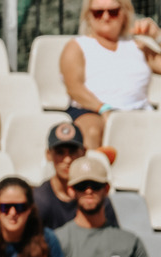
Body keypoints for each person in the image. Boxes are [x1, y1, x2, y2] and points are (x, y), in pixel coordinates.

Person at [55, 156, 155, 257]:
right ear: (71, 190)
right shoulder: (57, 241)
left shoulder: (130, 241)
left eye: (95, 185)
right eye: (82, 185)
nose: (89, 191)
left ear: (106, 189)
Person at [60, 0, 161, 149]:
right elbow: (74, 88)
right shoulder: (77, 46)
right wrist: (104, 109)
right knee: (91, 130)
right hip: (93, 112)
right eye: (98, 12)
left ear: (125, 13)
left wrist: (157, 36)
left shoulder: (138, 46)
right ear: (88, 16)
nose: (106, 17)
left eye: (113, 12)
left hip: (139, 112)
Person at [33, 122, 117, 230]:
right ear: (48, 155)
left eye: (72, 152)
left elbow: (113, 237)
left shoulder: (95, 194)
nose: (67, 159)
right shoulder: (40, 199)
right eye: (60, 152)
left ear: (84, 152)